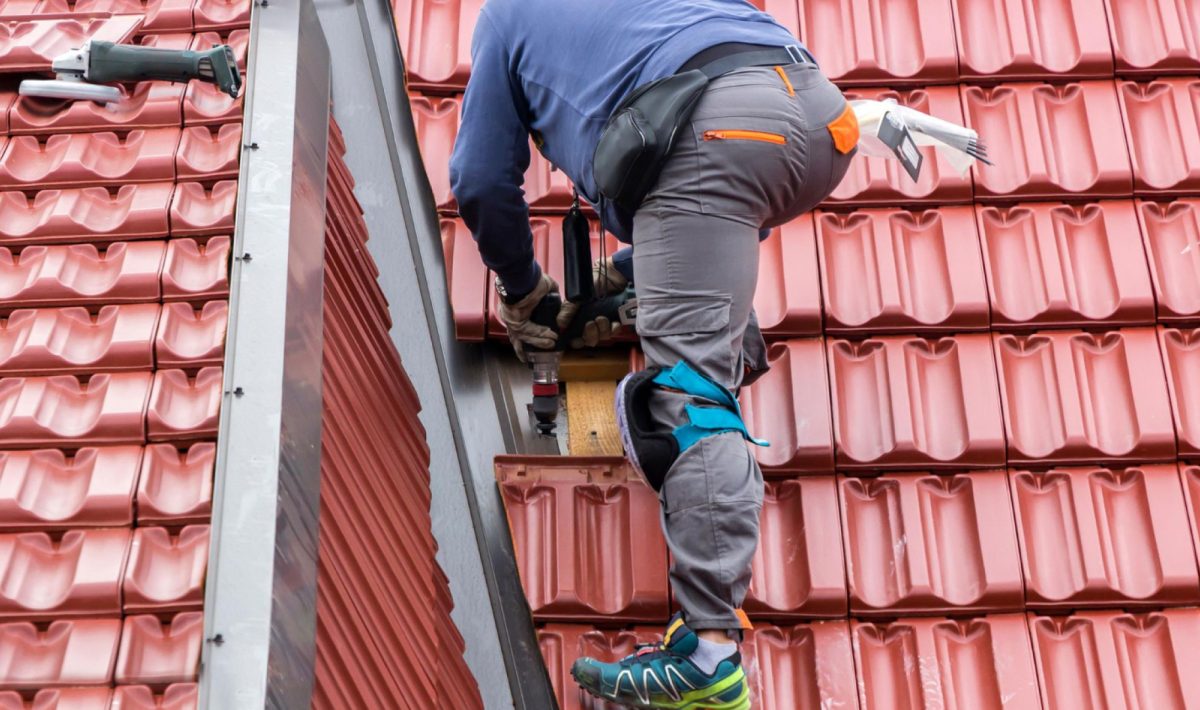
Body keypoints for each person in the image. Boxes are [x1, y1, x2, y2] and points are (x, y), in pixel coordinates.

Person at [450, 1, 857, 707]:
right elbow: (724, 146)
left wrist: (524, 292)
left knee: (688, 394)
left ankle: (708, 659)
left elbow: (482, 179)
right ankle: (700, 313)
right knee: (707, 232)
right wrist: (636, 269)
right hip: (820, 117)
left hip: (719, 129)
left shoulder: (508, 15)